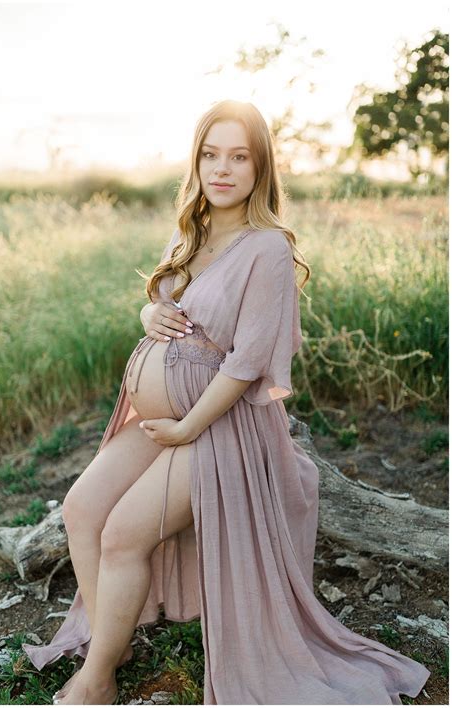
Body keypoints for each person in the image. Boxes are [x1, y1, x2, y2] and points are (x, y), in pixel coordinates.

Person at [22, 99, 431, 705]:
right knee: (82, 509)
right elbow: (163, 298)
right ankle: (115, 636)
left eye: (239, 156)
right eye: (211, 155)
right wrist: (146, 309)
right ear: (197, 162)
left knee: (122, 536)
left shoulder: (265, 248)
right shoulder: (193, 228)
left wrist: (189, 427)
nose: (222, 169)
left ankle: (98, 678)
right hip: (162, 418)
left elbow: (247, 363)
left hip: (219, 427)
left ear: (260, 167)